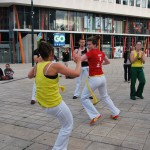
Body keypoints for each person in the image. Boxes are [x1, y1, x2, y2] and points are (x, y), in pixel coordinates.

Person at [28, 41, 81, 150]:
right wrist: (79, 61)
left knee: (64, 124)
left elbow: (29, 76)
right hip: (55, 104)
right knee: (68, 126)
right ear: (51, 54)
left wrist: (38, 62)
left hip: (45, 104)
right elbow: (77, 73)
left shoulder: (38, 65)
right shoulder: (54, 65)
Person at [80, 35, 120, 125]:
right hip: (102, 77)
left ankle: (95, 115)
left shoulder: (90, 53)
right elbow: (108, 62)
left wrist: (76, 56)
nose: (88, 46)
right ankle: (115, 112)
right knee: (105, 96)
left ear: (94, 45)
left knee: (83, 98)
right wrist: (99, 64)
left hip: (94, 78)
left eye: (90, 44)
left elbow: (80, 59)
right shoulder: (101, 53)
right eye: (87, 44)